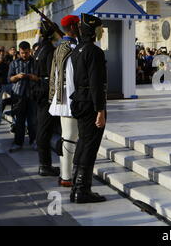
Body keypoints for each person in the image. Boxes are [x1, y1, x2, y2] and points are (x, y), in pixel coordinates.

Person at [69, 13, 107, 203]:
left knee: (83, 143)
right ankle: (82, 190)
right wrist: (100, 110)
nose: (101, 32)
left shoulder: (77, 50)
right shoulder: (94, 51)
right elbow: (96, 84)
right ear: (93, 31)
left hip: (79, 101)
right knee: (90, 146)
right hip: (91, 104)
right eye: (99, 29)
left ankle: (76, 187)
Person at [49, 15, 80, 187]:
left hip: (61, 96)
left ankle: (65, 174)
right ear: (74, 27)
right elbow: (74, 76)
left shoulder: (59, 47)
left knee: (67, 136)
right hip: (71, 97)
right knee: (69, 137)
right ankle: (67, 177)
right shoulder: (74, 48)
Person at [33, 19, 60, 177]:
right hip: (45, 93)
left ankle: (45, 164)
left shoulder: (40, 49)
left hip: (39, 91)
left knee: (43, 129)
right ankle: (45, 165)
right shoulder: (49, 50)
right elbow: (52, 75)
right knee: (44, 130)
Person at [8, 41, 39, 152]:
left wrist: (32, 77)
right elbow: (9, 79)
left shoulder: (35, 63)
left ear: (29, 51)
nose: (24, 55)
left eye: (26, 52)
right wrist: (17, 76)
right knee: (19, 121)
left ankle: (33, 141)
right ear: (19, 51)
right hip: (19, 96)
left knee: (33, 121)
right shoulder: (14, 63)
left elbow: (39, 78)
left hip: (32, 95)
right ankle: (18, 143)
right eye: (22, 53)